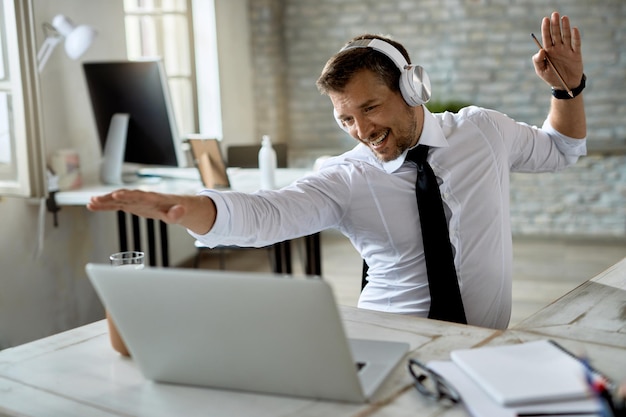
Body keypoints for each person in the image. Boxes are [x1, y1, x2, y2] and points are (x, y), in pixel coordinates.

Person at [88, 12, 586, 330]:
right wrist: (188, 208)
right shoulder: (346, 175)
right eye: (345, 117)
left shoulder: (482, 133)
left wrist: (568, 88)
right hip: (388, 339)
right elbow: (268, 215)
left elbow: (562, 148)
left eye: (371, 108)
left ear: (413, 90)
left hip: (482, 344)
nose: (362, 129)